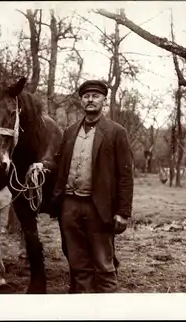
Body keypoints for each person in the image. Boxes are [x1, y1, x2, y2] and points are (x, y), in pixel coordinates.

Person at [51, 79, 134, 293]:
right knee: (78, 267)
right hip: (69, 206)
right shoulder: (69, 132)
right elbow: (58, 164)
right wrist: (41, 166)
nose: (90, 99)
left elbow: (125, 175)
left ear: (104, 100)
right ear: (81, 100)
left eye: (95, 96)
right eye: (86, 96)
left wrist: (123, 212)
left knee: (104, 267)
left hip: (99, 208)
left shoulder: (117, 132)